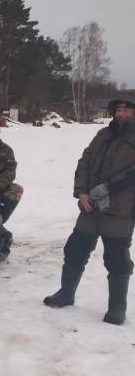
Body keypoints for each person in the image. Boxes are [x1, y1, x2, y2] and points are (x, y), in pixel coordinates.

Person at [43, 99, 135, 325]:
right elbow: (84, 162)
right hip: (90, 206)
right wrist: (82, 193)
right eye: (118, 110)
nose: (121, 114)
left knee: (117, 260)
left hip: (121, 210)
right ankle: (66, 293)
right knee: (74, 250)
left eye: (126, 110)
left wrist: (110, 188)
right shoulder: (103, 134)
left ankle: (116, 309)